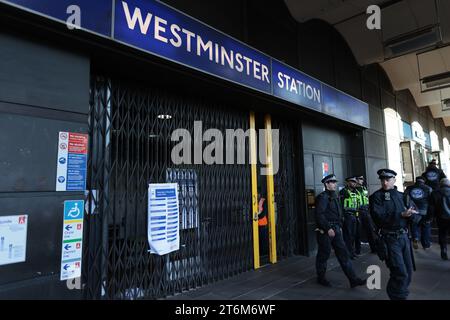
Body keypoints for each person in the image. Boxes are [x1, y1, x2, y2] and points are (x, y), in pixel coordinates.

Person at [369, 169, 418, 300]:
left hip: (403, 237)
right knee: (399, 272)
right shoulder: (376, 197)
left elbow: (415, 214)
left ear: (394, 180)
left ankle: (401, 293)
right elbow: (378, 217)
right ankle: (398, 296)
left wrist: (412, 215)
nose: (385, 182)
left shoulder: (402, 196)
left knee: (407, 271)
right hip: (389, 238)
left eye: (388, 179)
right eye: (382, 180)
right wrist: (401, 215)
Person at [315, 174, 366, 288]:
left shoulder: (335, 196)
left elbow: (339, 212)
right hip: (326, 231)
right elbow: (319, 215)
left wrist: (339, 225)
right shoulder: (323, 197)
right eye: (332, 182)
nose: (334, 184)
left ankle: (353, 280)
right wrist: (328, 228)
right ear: (326, 184)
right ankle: (321, 278)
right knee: (324, 255)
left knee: (344, 254)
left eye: (335, 182)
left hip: (336, 229)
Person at [404, 176, 432, 250]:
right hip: (425, 211)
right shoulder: (428, 188)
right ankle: (426, 244)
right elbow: (432, 200)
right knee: (426, 227)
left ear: (416, 181)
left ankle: (415, 238)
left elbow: (405, 198)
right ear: (424, 181)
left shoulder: (409, 188)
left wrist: (408, 208)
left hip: (414, 211)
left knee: (414, 225)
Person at [428, 178, 450, 260]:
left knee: (442, 234)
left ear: (440, 184)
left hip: (441, 218)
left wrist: (430, 217)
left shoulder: (434, 193)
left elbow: (431, 208)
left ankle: (443, 249)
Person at [340, 176, 360, 259]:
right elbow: (340, 205)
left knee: (353, 235)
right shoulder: (344, 192)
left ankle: (352, 252)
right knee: (347, 236)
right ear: (347, 182)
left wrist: (357, 216)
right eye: (352, 182)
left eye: (355, 182)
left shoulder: (356, 192)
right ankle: (348, 254)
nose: (354, 183)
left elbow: (357, 205)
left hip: (354, 216)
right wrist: (342, 217)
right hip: (347, 216)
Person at [356, 175, 377, 253]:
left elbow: (366, 198)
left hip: (365, 211)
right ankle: (357, 250)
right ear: (356, 180)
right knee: (357, 231)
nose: (362, 180)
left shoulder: (364, 188)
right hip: (358, 211)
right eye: (360, 179)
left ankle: (374, 248)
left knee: (370, 230)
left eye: (362, 179)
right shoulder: (353, 189)